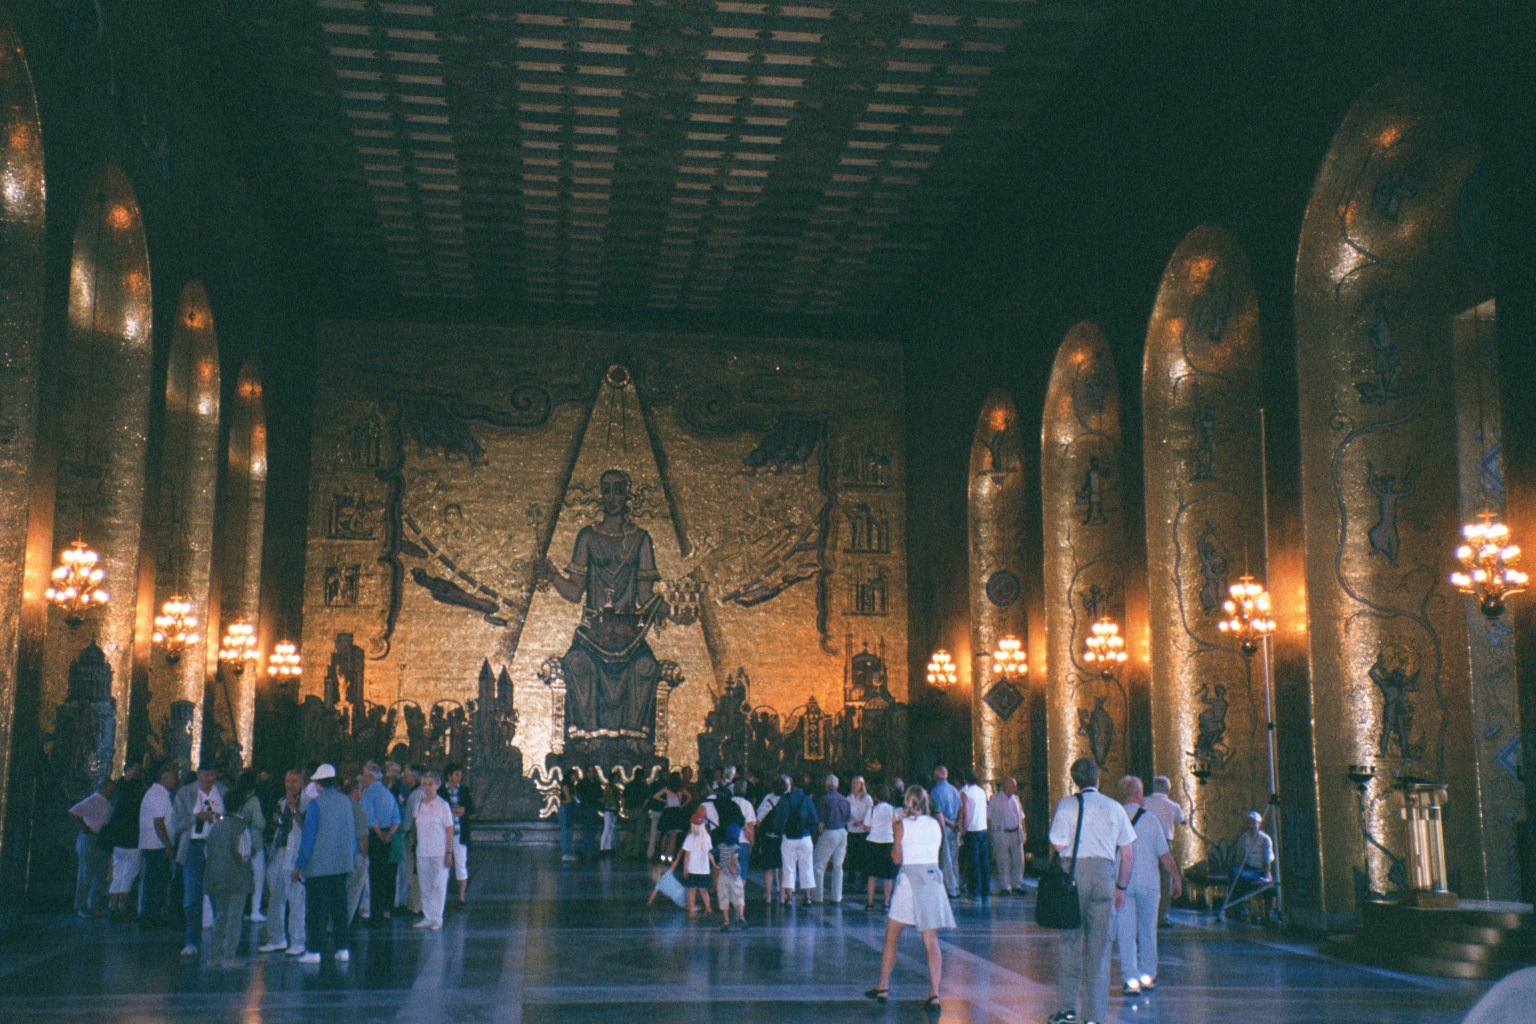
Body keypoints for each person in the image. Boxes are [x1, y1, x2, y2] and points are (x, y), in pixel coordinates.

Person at [1046, 757, 1136, 1024]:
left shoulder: (1067, 805)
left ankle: (1066, 1009)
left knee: (1070, 943)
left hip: (1073, 878)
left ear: (1075, 780)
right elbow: (1128, 853)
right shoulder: (1114, 807)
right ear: (1099, 779)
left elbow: (1058, 845)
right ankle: (1094, 1016)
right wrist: (1121, 886)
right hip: (1104, 876)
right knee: (1099, 950)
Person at [865, 785, 954, 1009]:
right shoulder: (936, 824)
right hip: (932, 879)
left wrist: (897, 831)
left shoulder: (901, 826)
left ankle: (883, 986)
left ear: (907, 803)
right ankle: (934, 994)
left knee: (892, 936)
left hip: (909, 881)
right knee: (931, 941)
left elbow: (896, 858)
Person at [1116, 776, 1182, 995]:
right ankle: (1148, 975)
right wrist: (1176, 877)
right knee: (1147, 931)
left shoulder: (1113, 818)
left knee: (1126, 932)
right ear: (1138, 794)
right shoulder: (1151, 820)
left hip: (1122, 884)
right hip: (1149, 884)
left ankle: (1130, 979)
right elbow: (1165, 856)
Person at [294, 764, 357, 964]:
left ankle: (314, 951)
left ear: (319, 783)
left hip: (318, 867)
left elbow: (308, 836)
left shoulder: (316, 804)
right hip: (341, 865)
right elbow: (352, 834)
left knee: (316, 910)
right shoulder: (347, 802)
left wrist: (299, 863)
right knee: (340, 908)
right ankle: (342, 948)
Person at [204, 777, 256, 968]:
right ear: (241, 806)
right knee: (235, 919)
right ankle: (229, 956)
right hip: (238, 879)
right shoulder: (241, 827)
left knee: (220, 916)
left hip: (218, 877)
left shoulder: (217, 826)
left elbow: (208, 850)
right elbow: (244, 853)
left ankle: (213, 955)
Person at [176, 766, 225, 956]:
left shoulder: (223, 792)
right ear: (198, 775)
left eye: (213, 774)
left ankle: (221, 939)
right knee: (192, 896)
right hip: (193, 848)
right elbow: (176, 822)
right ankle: (191, 941)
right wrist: (195, 817)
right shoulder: (185, 794)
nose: (210, 778)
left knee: (218, 895)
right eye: (206, 775)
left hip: (215, 848)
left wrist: (217, 818)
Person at [258, 768, 307, 954]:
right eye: (288, 781)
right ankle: (276, 938)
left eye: (295, 781)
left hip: (294, 855)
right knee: (275, 898)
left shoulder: (307, 803)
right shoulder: (281, 802)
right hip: (279, 852)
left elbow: (305, 826)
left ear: (302, 783)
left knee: (296, 900)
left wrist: (295, 809)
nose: (291, 785)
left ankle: (298, 940)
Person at [411, 770, 456, 930]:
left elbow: (449, 829)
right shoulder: (419, 804)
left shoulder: (443, 805)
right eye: (424, 784)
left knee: (439, 885)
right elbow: (417, 826)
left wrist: (448, 852)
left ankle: (437, 917)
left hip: (439, 851)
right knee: (425, 885)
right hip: (423, 851)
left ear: (437, 786)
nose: (427, 787)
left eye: (430, 784)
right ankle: (427, 916)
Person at [102, 764, 146, 919]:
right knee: (128, 874)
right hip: (131, 840)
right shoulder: (135, 800)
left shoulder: (117, 796)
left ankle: (112, 906)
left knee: (118, 873)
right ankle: (122, 907)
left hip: (118, 840)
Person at [1142, 775, 1186, 926]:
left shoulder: (1144, 802)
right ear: (1168, 789)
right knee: (1165, 880)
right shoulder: (1172, 805)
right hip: (1165, 843)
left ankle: (1145, 915)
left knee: (1146, 878)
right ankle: (1162, 916)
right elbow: (1183, 820)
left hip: (1146, 842)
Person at [361, 761, 401, 924]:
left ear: (369, 777)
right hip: (387, 837)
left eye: (364, 775)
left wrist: (379, 834)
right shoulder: (387, 792)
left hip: (375, 837)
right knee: (384, 875)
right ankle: (385, 910)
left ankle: (375, 914)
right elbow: (396, 817)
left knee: (375, 877)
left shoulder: (369, 792)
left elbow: (369, 817)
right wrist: (388, 834)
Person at [138, 764, 178, 924]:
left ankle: (151, 914)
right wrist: (167, 844)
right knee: (156, 883)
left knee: (154, 881)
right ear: (165, 776)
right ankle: (152, 916)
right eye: (173, 777)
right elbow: (159, 823)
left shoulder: (155, 793)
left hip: (153, 844)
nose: (175, 780)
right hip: (157, 846)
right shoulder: (159, 796)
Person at [770, 774, 818, 907]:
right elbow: (814, 819)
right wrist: (808, 831)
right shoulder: (807, 799)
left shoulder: (784, 799)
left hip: (788, 838)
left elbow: (776, 821)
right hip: (805, 837)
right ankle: (807, 897)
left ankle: (790, 897)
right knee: (807, 866)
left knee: (788, 867)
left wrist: (783, 830)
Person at [69, 777, 114, 918]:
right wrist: (86, 829)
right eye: (111, 787)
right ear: (104, 787)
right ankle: (82, 907)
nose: (113, 791)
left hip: (100, 840)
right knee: (86, 875)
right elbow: (74, 811)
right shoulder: (94, 800)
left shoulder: (106, 802)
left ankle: (93, 905)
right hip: (90, 840)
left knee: (99, 875)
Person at [229, 771, 266, 924]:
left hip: (238, 839)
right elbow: (259, 822)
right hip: (254, 841)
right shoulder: (254, 801)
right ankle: (255, 910)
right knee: (258, 876)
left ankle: (239, 909)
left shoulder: (236, 798)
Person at [812, 774, 851, 904]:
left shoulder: (824, 799)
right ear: (837, 785)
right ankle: (837, 896)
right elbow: (847, 818)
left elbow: (821, 821)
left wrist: (819, 834)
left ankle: (818, 896)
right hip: (842, 832)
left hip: (829, 831)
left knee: (819, 864)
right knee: (838, 865)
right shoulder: (844, 799)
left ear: (826, 785)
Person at [988, 776, 1026, 895]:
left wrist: (1024, 831)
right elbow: (988, 818)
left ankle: (1017, 884)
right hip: (1001, 833)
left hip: (1015, 832)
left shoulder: (1016, 799)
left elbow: (1021, 817)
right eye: (1013, 785)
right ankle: (1005, 886)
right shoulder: (994, 799)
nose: (1015, 788)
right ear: (1006, 786)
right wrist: (990, 833)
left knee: (1018, 860)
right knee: (1003, 861)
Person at [958, 770, 991, 904]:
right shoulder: (981, 792)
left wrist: (963, 828)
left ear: (965, 779)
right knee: (984, 863)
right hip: (982, 828)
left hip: (971, 830)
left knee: (973, 863)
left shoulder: (966, 793)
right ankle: (986, 891)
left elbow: (965, 810)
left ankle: (975, 892)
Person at [928, 766, 962, 898]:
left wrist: (950, 823)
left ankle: (951, 888)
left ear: (936, 776)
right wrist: (957, 822)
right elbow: (960, 807)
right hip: (955, 826)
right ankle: (956, 884)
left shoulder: (935, 791)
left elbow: (938, 813)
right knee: (954, 858)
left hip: (945, 826)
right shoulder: (954, 789)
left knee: (946, 858)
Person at [863, 783, 897, 911]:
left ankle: (870, 902)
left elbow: (866, 827)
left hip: (873, 842)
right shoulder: (892, 809)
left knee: (872, 875)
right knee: (887, 876)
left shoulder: (872, 809)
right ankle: (886, 903)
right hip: (888, 842)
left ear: (876, 797)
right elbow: (896, 825)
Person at [444, 763, 474, 904]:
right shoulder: (441, 791)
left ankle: (461, 897)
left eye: (460, 775)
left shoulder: (464, 791)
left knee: (461, 864)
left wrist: (464, 810)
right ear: (449, 776)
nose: (459, 778)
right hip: (444, 834)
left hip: (459, 833)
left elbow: (471, 808)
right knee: (443, 865)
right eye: (456, 774)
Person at [344, 776, 372, 926]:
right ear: (355, 791)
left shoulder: (339, 805)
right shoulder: (358, 809)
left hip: (338, 856)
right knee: (352, 893)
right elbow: (363, 838)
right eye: (362, 791)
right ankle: (343, 924)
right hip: (355, 856)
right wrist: (365, 856)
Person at [680, 809, 715, 917]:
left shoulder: (690, 838)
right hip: (704, 869)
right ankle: (708, 907)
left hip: (692, 869)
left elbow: (687, 855)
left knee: (692, 891)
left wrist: (685, 868)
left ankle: (691, 911)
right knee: (704, 890)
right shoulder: (707, 837)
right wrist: (714, 865)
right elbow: (709, 853)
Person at [753, 783, 783, 904]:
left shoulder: (768, 799)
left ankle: (768, 895)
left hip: (768, 837)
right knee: (782, 867)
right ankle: (782, 895)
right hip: (782, 837)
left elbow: (758, 818)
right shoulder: (787, 800)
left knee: (768, 868)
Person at [846, 775, 873, 893]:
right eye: (853, 782)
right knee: (851, 858)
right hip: (852, 830)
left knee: (864, 859)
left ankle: (864, 884)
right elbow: (846, 813)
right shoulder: (849, 798)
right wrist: (852, 822)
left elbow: (870, 812)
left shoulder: (867, 798)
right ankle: (851, 883)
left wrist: (862, 821)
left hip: (863, 831)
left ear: (862, 785)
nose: (855, 785)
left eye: (857, 783)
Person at [715, 831, 747, 931]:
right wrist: (732, 865)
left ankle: (726, 920)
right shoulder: (737, 848)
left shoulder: (721, 846)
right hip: (735, 876)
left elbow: (710, 853)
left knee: (723, 897)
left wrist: (715, 865)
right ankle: (741, 916)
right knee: (739, 896)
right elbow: (735, 856)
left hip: (723, 875)